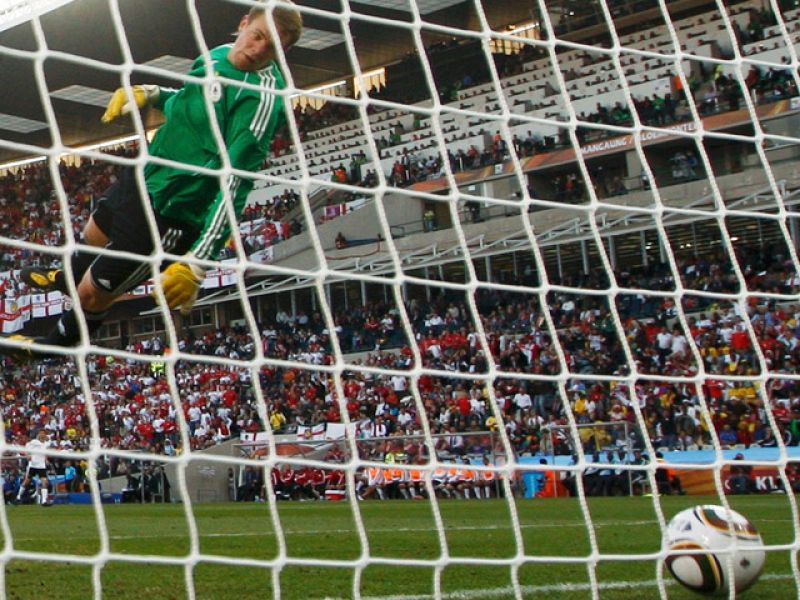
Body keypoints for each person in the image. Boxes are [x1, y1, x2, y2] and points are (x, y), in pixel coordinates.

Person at [3, 2, 303, 361]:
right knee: (94, 233)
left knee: (92, 294)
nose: (258, 49)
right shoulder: (217, 55)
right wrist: (153, 94)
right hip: (147, 175)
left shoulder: (262, 100)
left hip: (171, 212)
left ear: (282, 53)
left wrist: (198, 262)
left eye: (271, 46)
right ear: (243, 24)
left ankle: (53, 347)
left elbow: (236, 183)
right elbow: (189, 102)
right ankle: (67, 278)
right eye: (257, 36)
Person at [16, 429, 52, 506]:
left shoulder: (46, 443)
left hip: (41, 466)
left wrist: (46, 459)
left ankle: (44, 501)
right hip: (33, 465)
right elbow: (26, 448)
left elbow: (46, 449)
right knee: (26, 482)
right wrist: (28, 455)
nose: (42, 435)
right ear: (38, 435)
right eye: (40, 433)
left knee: (45, 482)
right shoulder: (34, 442)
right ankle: (18, 497)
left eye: (43, 433)